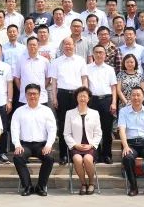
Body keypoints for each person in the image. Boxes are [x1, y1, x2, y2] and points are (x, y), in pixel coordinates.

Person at [11, 84, 57, 196]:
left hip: (41, 145)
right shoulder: (19, 111)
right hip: (24, 145)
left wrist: (49, 145)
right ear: (25, 95)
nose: (32, 96)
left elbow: (52, 129)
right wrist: (17, 145)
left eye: (35, 94)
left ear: (39, 95)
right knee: (18, 157)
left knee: (49, 158)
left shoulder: (46, 111)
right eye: (30, 94)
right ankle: (28, 186)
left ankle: (41, 186)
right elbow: (14, 129)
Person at [49, 37, 88, 165]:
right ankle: (63, 155)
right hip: (63, 94)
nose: (68, 46)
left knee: (79, 124)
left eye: (70, 44)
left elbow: (84, 79)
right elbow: (54, 82)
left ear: (74, 46)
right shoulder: (56, 62)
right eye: (65, 44)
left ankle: (77, 153)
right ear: (62, 46)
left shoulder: (81, 60)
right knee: (63, 125)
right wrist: (54, 98)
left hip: (77, 95)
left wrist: (85, 95)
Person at [118, 86, 144, 196]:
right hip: (130, 143)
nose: (136, 97)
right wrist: (125, 146)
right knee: (127, 158)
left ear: (143, 97)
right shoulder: (123, 111)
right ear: (130, 97)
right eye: (133, 95)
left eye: (138, 95)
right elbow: (121, 130)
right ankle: (133, 187)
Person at [63, 87, 102, 194]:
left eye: (85, 96)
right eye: (80, 96)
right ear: (76, 98)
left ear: (88, 98)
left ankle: (91, 183)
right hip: (76, 146)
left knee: (88, 159)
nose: (82, 98)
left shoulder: (95, 113)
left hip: (90, 146)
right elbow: (66, 133)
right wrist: (75, 145)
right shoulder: (69, 113)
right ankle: (83, 184)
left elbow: (98, 133)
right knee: (78, 159)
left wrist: (92, 145)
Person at [86, 45, 118, 164]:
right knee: (93, 129)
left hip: (106, 100)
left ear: (105, 55)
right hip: (92, 100)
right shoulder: (87, 68)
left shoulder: (110, 69)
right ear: (93, 54)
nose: (99, 54)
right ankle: (96, 154)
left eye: (101, 52)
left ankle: (107, 154)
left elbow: (113, 87)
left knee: (107, 129)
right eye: (96, 52)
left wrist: (114, 102)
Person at [14, 37, 51, 107]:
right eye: (30, 45)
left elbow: (48, 78)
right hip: (24, 98)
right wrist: (22, 89)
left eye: (34, 45)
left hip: (41, 97)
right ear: (27, 46)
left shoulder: (45, 61)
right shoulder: (20, 60)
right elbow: (16, 77)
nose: (32, 46)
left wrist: (41, 88)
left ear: (38, 46)